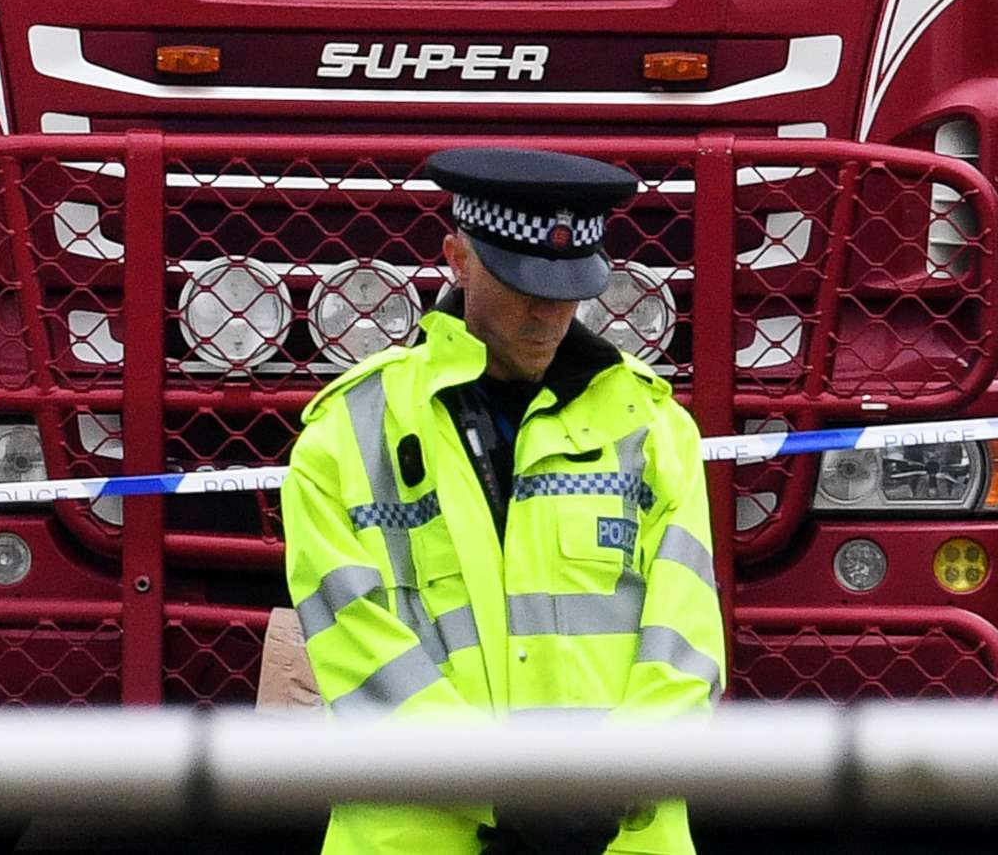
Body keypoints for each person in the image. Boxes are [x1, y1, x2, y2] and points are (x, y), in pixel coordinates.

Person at [282, 148, 725, 855]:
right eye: (521, 284)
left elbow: (687, 648)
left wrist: (606, 788)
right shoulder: (348, 434)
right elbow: (360, 654)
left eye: (570, 287)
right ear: (456, 258)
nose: (548, 312)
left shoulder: (654, 428)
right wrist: (506, 792)